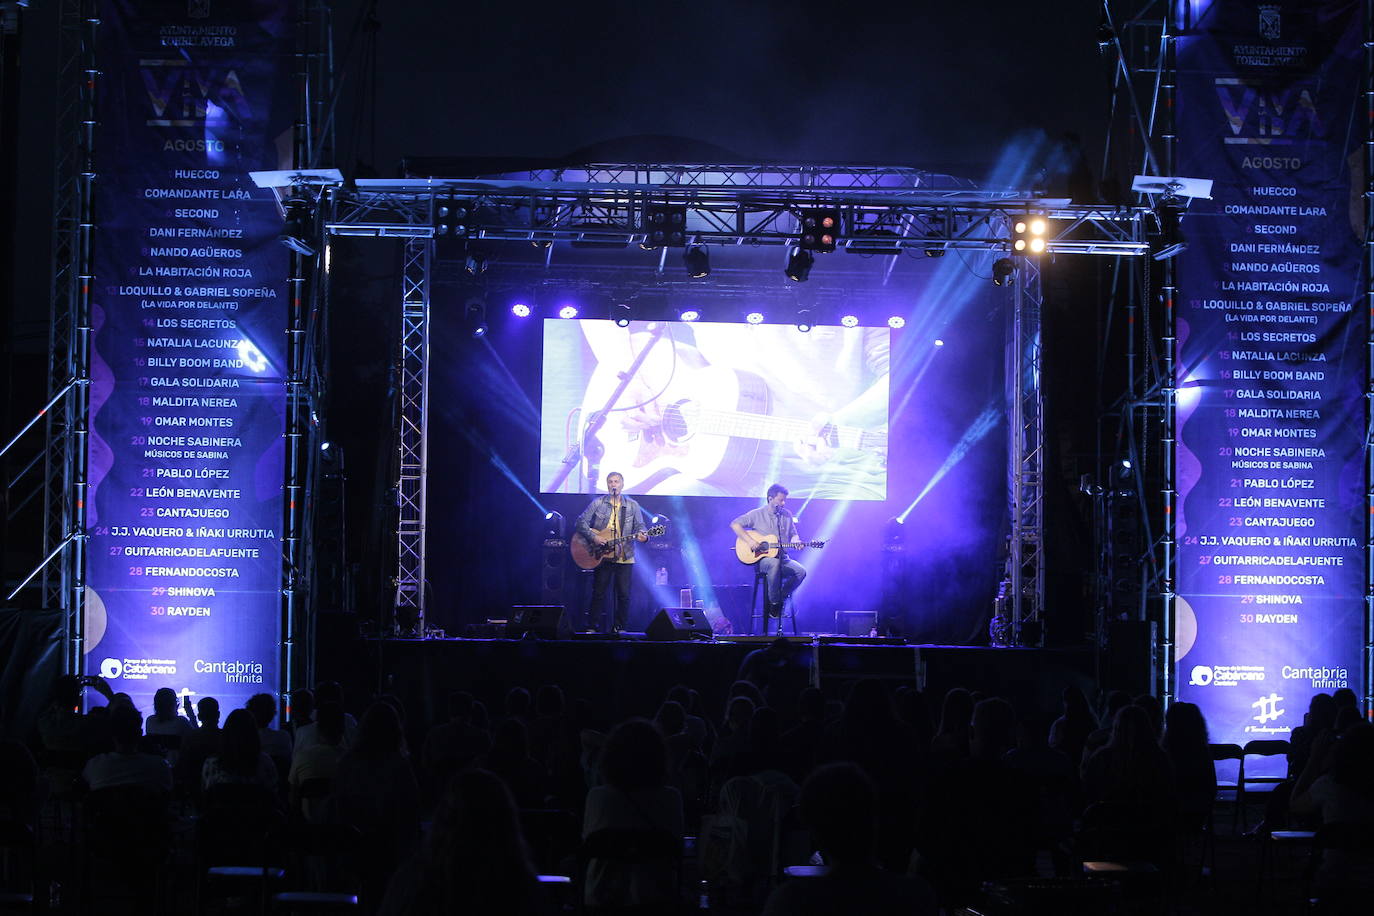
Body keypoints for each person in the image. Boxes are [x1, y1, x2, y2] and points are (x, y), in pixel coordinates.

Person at [574, 470, 649, 634]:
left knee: (623, 595)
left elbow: (640, 527)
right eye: (610, 482)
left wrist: (644, 535)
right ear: (607, 485)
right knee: (599, 592)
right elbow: (580, 522)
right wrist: (594, 537)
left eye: (616, 482)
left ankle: (619, 627)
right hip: (603, 555)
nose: (613, 484)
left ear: (622, 484)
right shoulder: (598, 503)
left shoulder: (632, 505)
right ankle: (592, 626)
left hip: (625, 556)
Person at [731, 483, 808, 619]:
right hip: (762, 560)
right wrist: (750, 541)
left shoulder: (787, 515)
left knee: (801, 572)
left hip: (783, 558)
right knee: (773, 563)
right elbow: (735, 524)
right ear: (770, 498)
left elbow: (793, 534)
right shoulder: (757, 514)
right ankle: (774, 603)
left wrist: (796, 542)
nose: (783, 503)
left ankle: (780, 599)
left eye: (784, 500)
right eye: (780, 500)